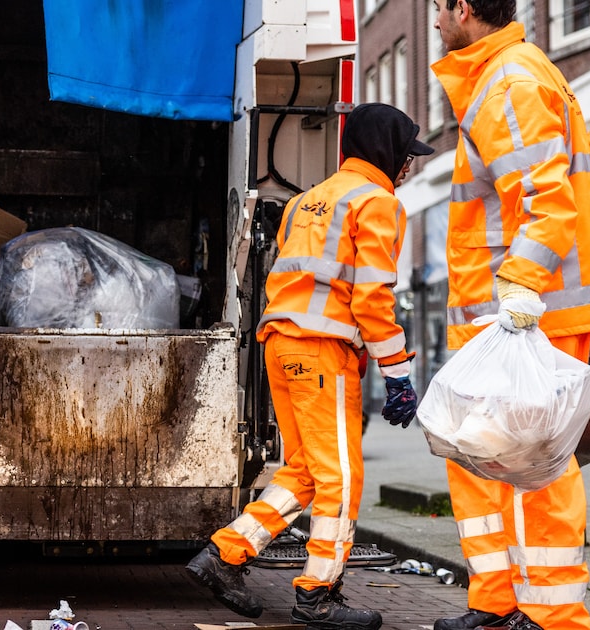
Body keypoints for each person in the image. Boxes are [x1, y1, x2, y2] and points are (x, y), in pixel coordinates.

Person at [185, 102, 433, 630]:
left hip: (281, 344)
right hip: (323, 352)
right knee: (341, 477)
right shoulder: (378, 203)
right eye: (406, 155)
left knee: (304, 472)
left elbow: (287, 275)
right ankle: (317, 594)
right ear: (385, 151)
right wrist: (397, 373)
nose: (408, 166)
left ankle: (224, 555)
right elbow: (371, 298)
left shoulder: (307, 202)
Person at [429, 2, 590, 630]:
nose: (434, 19)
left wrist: (517, 291)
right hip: (510, 316)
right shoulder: (504, 76)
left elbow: (547, 200)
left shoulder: (509, 81)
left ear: (463, 8)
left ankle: (552, 616)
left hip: (524, 316)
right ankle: (499, 602)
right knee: (487, 460)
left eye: (437, 6)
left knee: (531, 467)